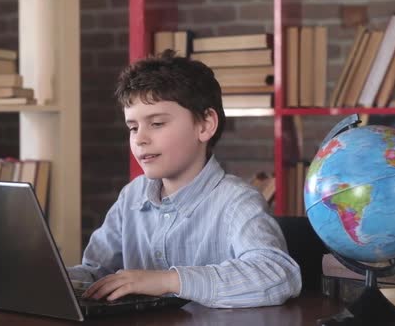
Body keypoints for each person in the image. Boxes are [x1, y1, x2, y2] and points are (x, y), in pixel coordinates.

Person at [67, 50, 301, 308]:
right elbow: (95, 273)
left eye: (156, 123)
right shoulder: (131, 197)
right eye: (133, 127)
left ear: (204, 125)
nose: (140, 138)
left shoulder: (237, 202)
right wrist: (56, 278)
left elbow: (278, 275)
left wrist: (169, 281)